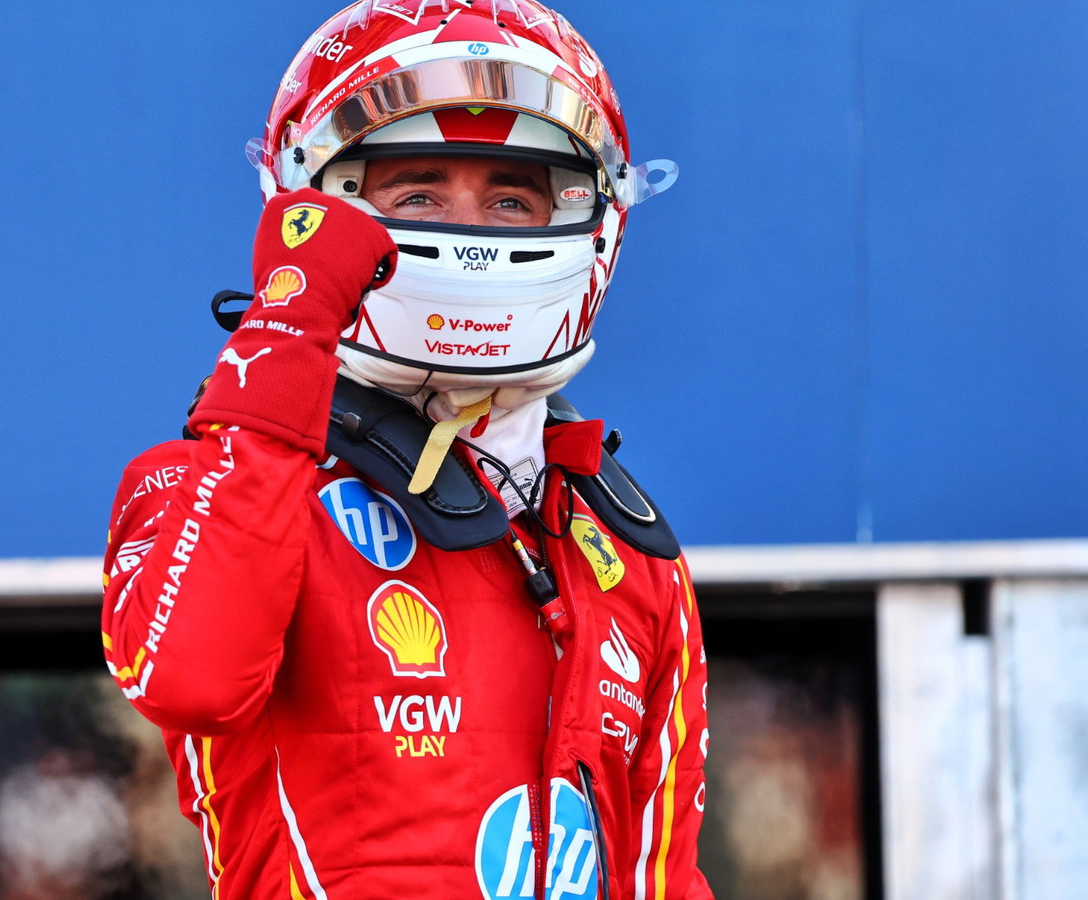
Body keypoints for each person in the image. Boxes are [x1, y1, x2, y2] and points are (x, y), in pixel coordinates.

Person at [100, 1, 711, 897]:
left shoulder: (631, 552)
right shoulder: (203, 482)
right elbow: (190, 680)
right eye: (418, 194)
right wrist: (288, 327)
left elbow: (668, 877)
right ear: (315, 202)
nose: (470, 231)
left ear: (593, 219)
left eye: (512, 199)